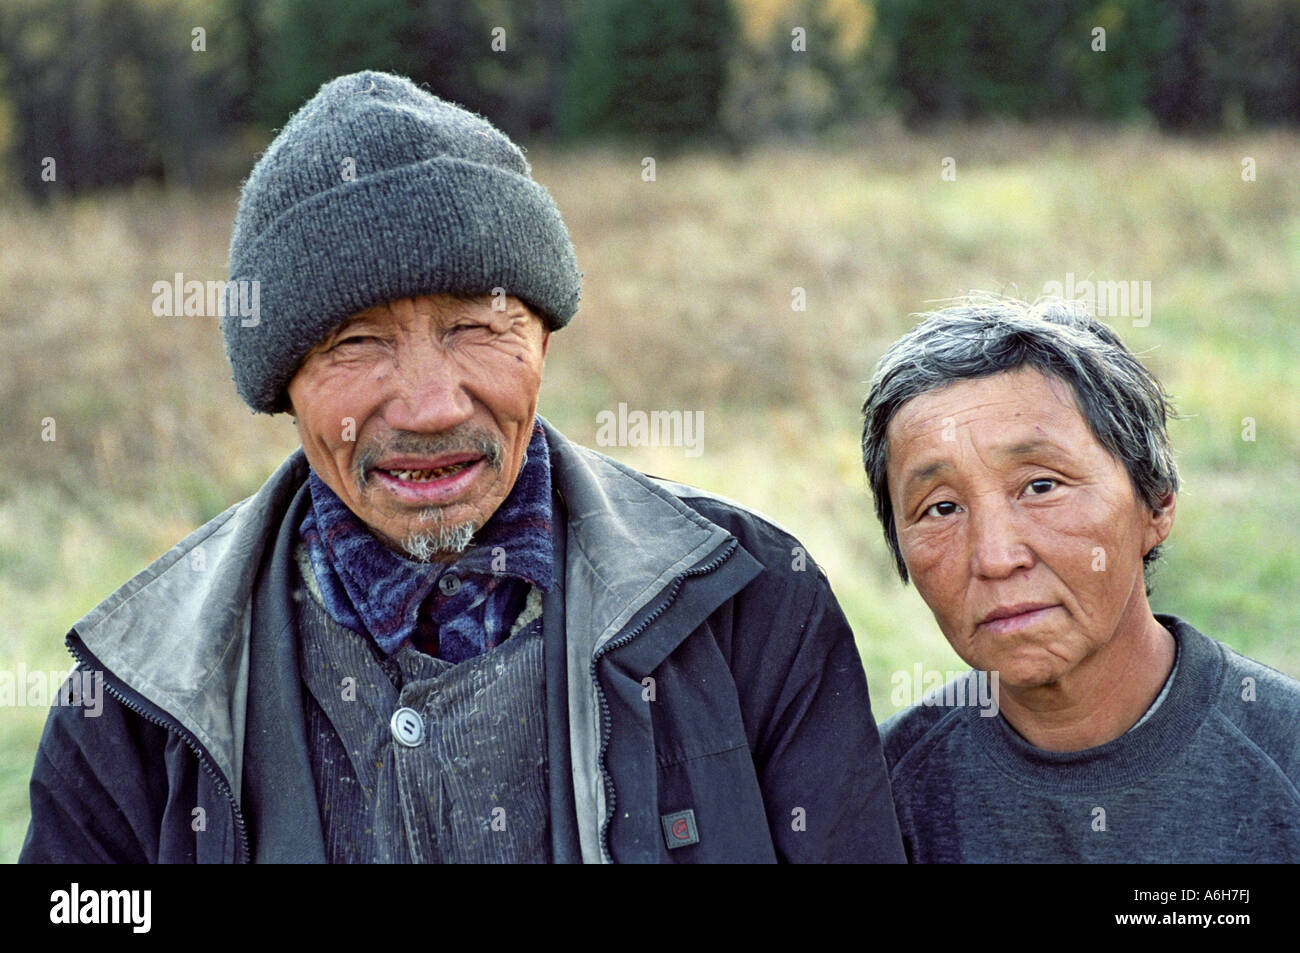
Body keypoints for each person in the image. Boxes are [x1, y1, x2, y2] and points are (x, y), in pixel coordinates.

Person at [20, 70, 903, 863]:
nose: (432, 404)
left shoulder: (752, 607)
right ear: (284, 386)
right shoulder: (135, 702)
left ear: (544, 340)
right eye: (354, 342)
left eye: (477, 327)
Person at [860, 294, 1300, 862]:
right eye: (941, 508)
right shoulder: (880, 800)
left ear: (1157, 502)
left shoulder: (1283, 759)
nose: (995, 558)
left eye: (1041, 486)